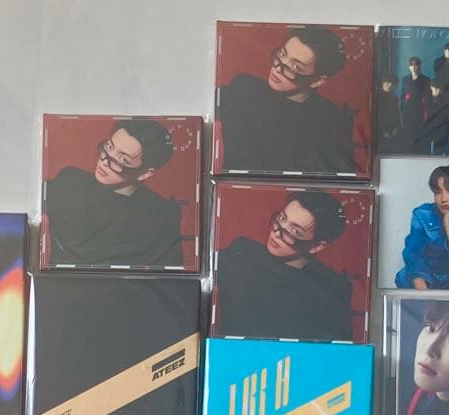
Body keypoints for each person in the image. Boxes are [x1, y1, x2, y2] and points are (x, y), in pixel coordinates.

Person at [214, 190, 353, 342]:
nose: (277, 233)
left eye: (295, 231)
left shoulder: (328, 292)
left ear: (317, 246)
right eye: (282, 218)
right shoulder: (242, 252)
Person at [217, 27, 356, 173]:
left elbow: (337, 178)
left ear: (317, 81)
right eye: (282, 54)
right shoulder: (244, 87)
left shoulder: (330, 121)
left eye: (296, 67)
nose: (278, 68)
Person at [45, 119, 183, 267]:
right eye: (109, 147)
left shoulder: (161, 215)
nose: (104, 161)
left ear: (145, 173)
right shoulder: (70, 180)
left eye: (122, 159)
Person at [401, 57, 431, 151]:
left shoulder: (426, 80)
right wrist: (402, 108)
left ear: (420, 66)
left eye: (416, 65)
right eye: (411, 65)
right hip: (408, 111)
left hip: (420, 111)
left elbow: (428, 96)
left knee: (420, 133)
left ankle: (419, 152)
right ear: (409, 66)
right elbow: (402, 96)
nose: (413, 67)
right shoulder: (405, 79)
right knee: (408, 134)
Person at [419, 77, 449, 155]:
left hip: (444, 128)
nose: (439, 90)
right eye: (437, 88)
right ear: (431, 87)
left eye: (441, 88)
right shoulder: (427, 100)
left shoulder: (446, 98)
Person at [377, 75, 402, 151]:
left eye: (393, 83)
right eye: (388, 82)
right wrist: (382, 132)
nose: (390, 85)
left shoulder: (394, 98)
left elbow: (397, 114)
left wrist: (396, 128)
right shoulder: (376, 97)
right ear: (383, 83)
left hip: (392, 131)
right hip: (379, 133)